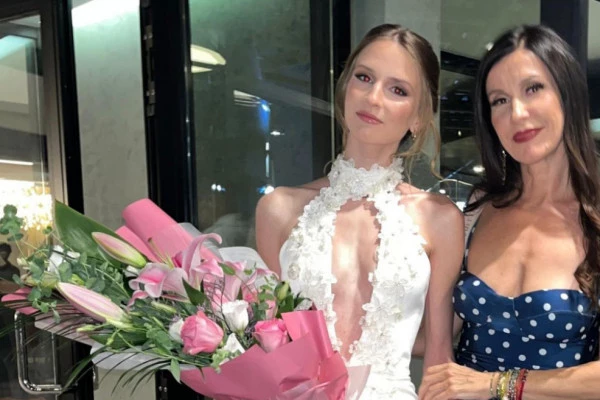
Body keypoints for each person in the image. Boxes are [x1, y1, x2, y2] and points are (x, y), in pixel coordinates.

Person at [255, 24, 464, 399]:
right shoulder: (278, 209)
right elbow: (264, 342)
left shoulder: (440, 218)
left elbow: (438, 358)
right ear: (345, 89)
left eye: (398, 90)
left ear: (418, 117)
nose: (373, 97)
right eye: (364, 78)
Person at [419, 24, 600, 400]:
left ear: (567, 93)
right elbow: (439, 333)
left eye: (533, 88)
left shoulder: (595, 214)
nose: (517, 113)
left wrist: (496, 384)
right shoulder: (479, 207)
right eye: (500, 100)